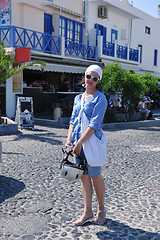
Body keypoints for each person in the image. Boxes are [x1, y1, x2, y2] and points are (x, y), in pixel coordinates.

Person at [65, 65, 107, 226]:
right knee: (83, 176)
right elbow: (72, 120)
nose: (90, 80)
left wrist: (80, 143)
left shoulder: (100, 98)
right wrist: (69, 140)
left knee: (95, 175)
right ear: (84, 76)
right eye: (89, 76)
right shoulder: (78, 98)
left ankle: (101, 209)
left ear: (98, 81)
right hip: (77, 143)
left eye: (95, 78)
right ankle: (87, 211)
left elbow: (95, 124)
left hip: (91, 143)